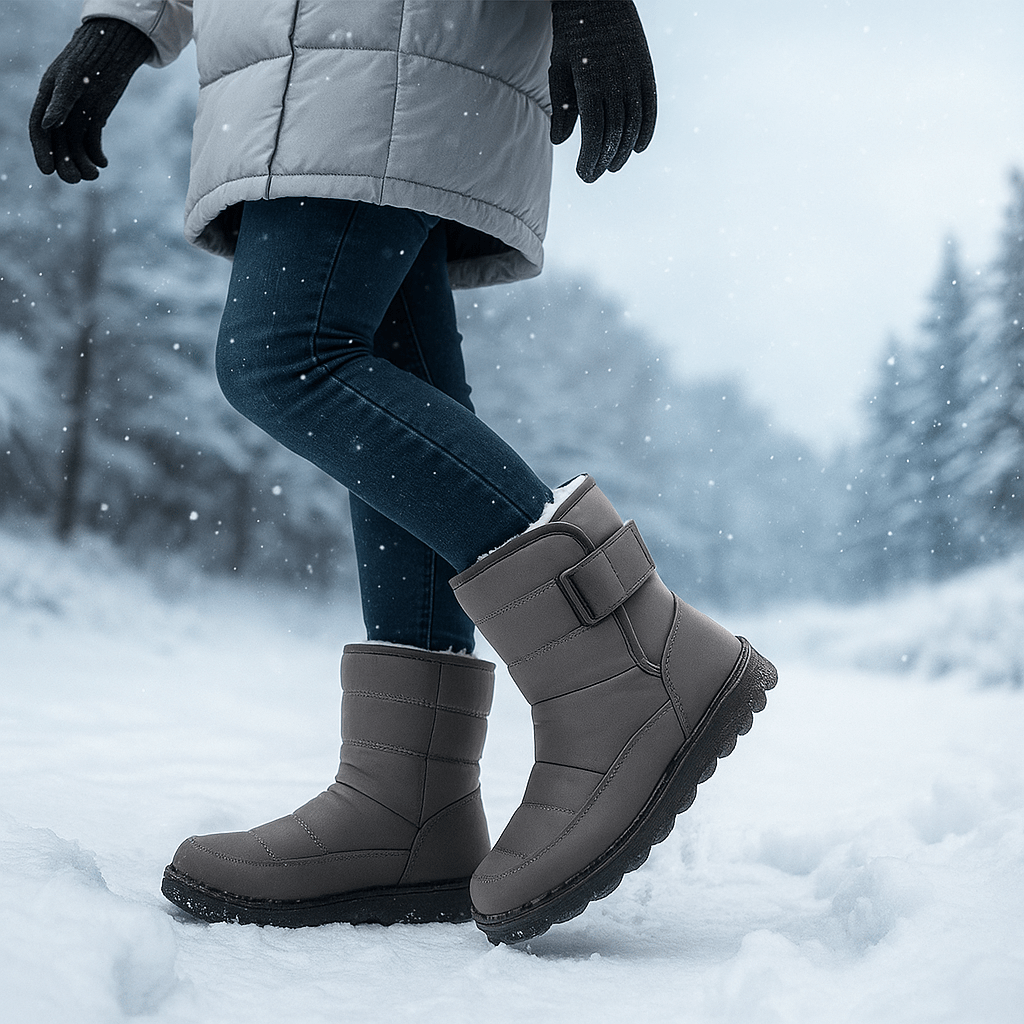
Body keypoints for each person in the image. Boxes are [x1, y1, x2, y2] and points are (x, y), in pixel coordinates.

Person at [30, 0, 776, 946]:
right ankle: (409, 797)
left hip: (385, 32)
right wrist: (128, 19)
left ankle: (627, 651)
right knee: (378, 360)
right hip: (301, 46)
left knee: (288, 357)